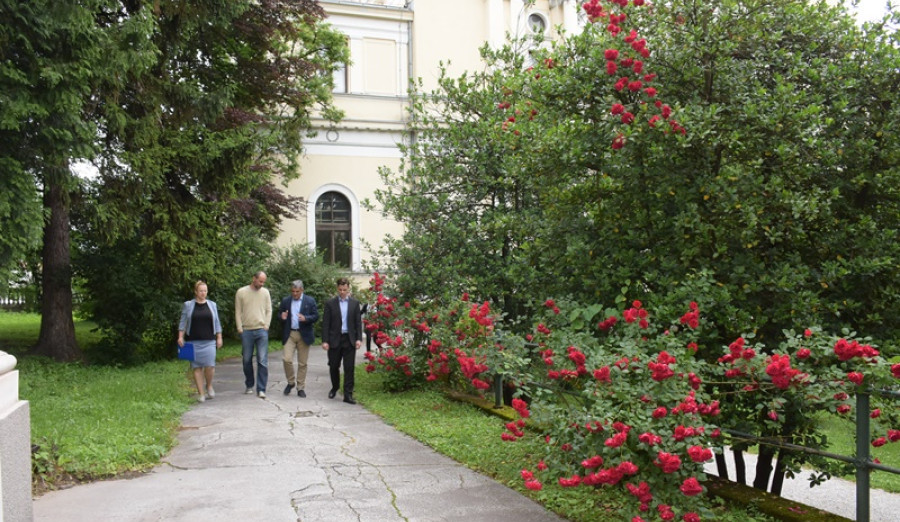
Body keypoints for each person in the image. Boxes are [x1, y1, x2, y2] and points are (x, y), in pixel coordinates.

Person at [177, 281, 223, 402]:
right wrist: (180, 336)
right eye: (201, 291)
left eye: (205, 291)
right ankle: (201, 393)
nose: (203, 293)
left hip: (209, 340)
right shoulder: (188, 305)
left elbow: (217, 322)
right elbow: (183, 322)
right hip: (193, 341)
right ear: (196, 292)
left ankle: (208, 385)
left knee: (210, 366)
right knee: (197, 368)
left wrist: (219, 337)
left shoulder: (212, 305)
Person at [321, 277, 363, 404]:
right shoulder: (330, 304)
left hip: (349, 339)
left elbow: (357, 323)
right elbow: (326, 324)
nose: (342, 292)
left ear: (348, 288)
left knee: (349, 367)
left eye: (345, 289)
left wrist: (359, 339)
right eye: (340, 289)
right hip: (335, 338)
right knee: (333, 366)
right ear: (337, 289)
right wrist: (325, 341)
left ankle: (348, 394)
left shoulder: (355, 304)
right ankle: (335, 387)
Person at [278, 280, 319, 397]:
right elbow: (279, 314)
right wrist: (282, 316)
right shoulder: (286, 301)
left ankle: (300, 387)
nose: (295, 294)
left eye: (297, 292)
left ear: (302, 290)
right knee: (286, 359)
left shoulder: (309, 301)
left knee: (302, 363)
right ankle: (290, 382)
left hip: (304, 334)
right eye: (293, 291)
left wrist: (306, 318)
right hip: (290, 333)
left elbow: (316, 316)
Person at [235, 271, 272, 398]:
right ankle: (249, 384)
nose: (262, 284)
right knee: (246, 359)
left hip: (261, 329)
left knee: (262, 360)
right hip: (247, 330)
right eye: (260, 281)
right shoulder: (241, 292)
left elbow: (269, 310)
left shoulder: (265, 293)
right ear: (254, 278)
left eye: (263, 282)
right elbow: (238, 311)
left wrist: (266, 325)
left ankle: (261, 389)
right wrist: (240, 328)